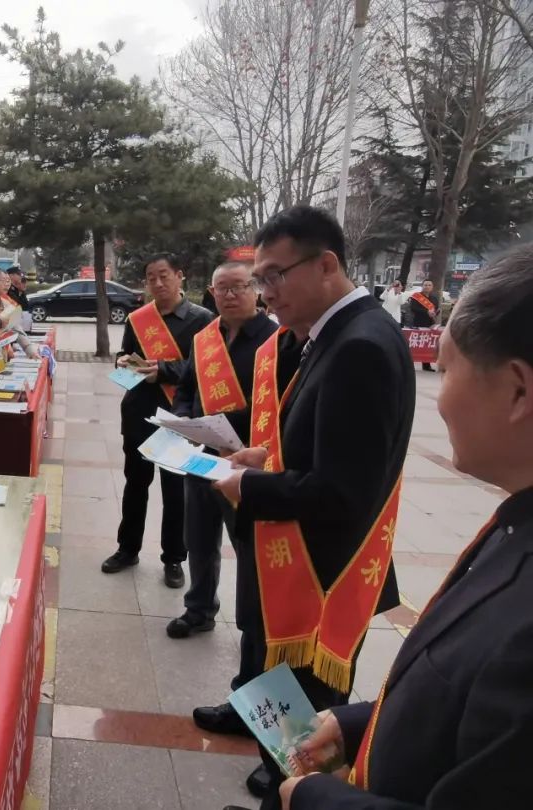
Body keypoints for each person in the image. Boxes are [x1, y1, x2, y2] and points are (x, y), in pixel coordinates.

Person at [279, 245, 533, 810]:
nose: (438, 402)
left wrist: (316, 799)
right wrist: (358, 724)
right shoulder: (516, 523)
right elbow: (467, 701)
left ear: (518, 390)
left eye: (444, 372)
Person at [207, 206, 415, 810]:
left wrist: (250, 487)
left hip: (321, 571)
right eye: (260, 278)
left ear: (326, 264)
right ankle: (281, 769)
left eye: (275, 277)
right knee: (278, 682)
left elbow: (340, 491)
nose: (266, 294)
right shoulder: (335, 335)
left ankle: (291, 786)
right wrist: (264, 453)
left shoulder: (360, 347)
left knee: (310, 699)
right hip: (298, 557)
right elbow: (329, 440)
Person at [165, 261, 278, 640]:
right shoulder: (205, 338)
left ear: (256, 289)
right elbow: (186, 388)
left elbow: (280, 404)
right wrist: (183, 418)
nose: (229, 296)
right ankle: (199, 609)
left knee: (246, 546)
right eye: (221, 289)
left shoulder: (274, 340)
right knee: (198, 539)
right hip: (201, 456)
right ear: (211, 293)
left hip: (245, 463)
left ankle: (255, 624)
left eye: (239, 287)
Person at [102, 254, 213, 588]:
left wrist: (162, 370)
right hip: (138, 411)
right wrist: (124, 362)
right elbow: (124, 356)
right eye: (151, 278)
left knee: (175, 490)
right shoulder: (138, 319)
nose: (158, 283)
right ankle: (127, 548)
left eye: (164, 276)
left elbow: (201, 369)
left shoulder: (202, 319)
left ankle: (174, 558)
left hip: (176, 415)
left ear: (179, 277)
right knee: (135, 485)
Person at [409, 278, 441, 371]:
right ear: (422, 286)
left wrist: (435, 313)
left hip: (430, 323)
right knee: (416, 344)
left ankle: (426, 365)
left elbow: (436, 309)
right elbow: (413, 308)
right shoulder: (416, 296)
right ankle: (410, 365)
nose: (427, 287)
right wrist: (426, 312)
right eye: (425, 285)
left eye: (429, 285)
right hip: (419, 322)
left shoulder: (434, 298)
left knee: (427, 344)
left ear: (432, 287)